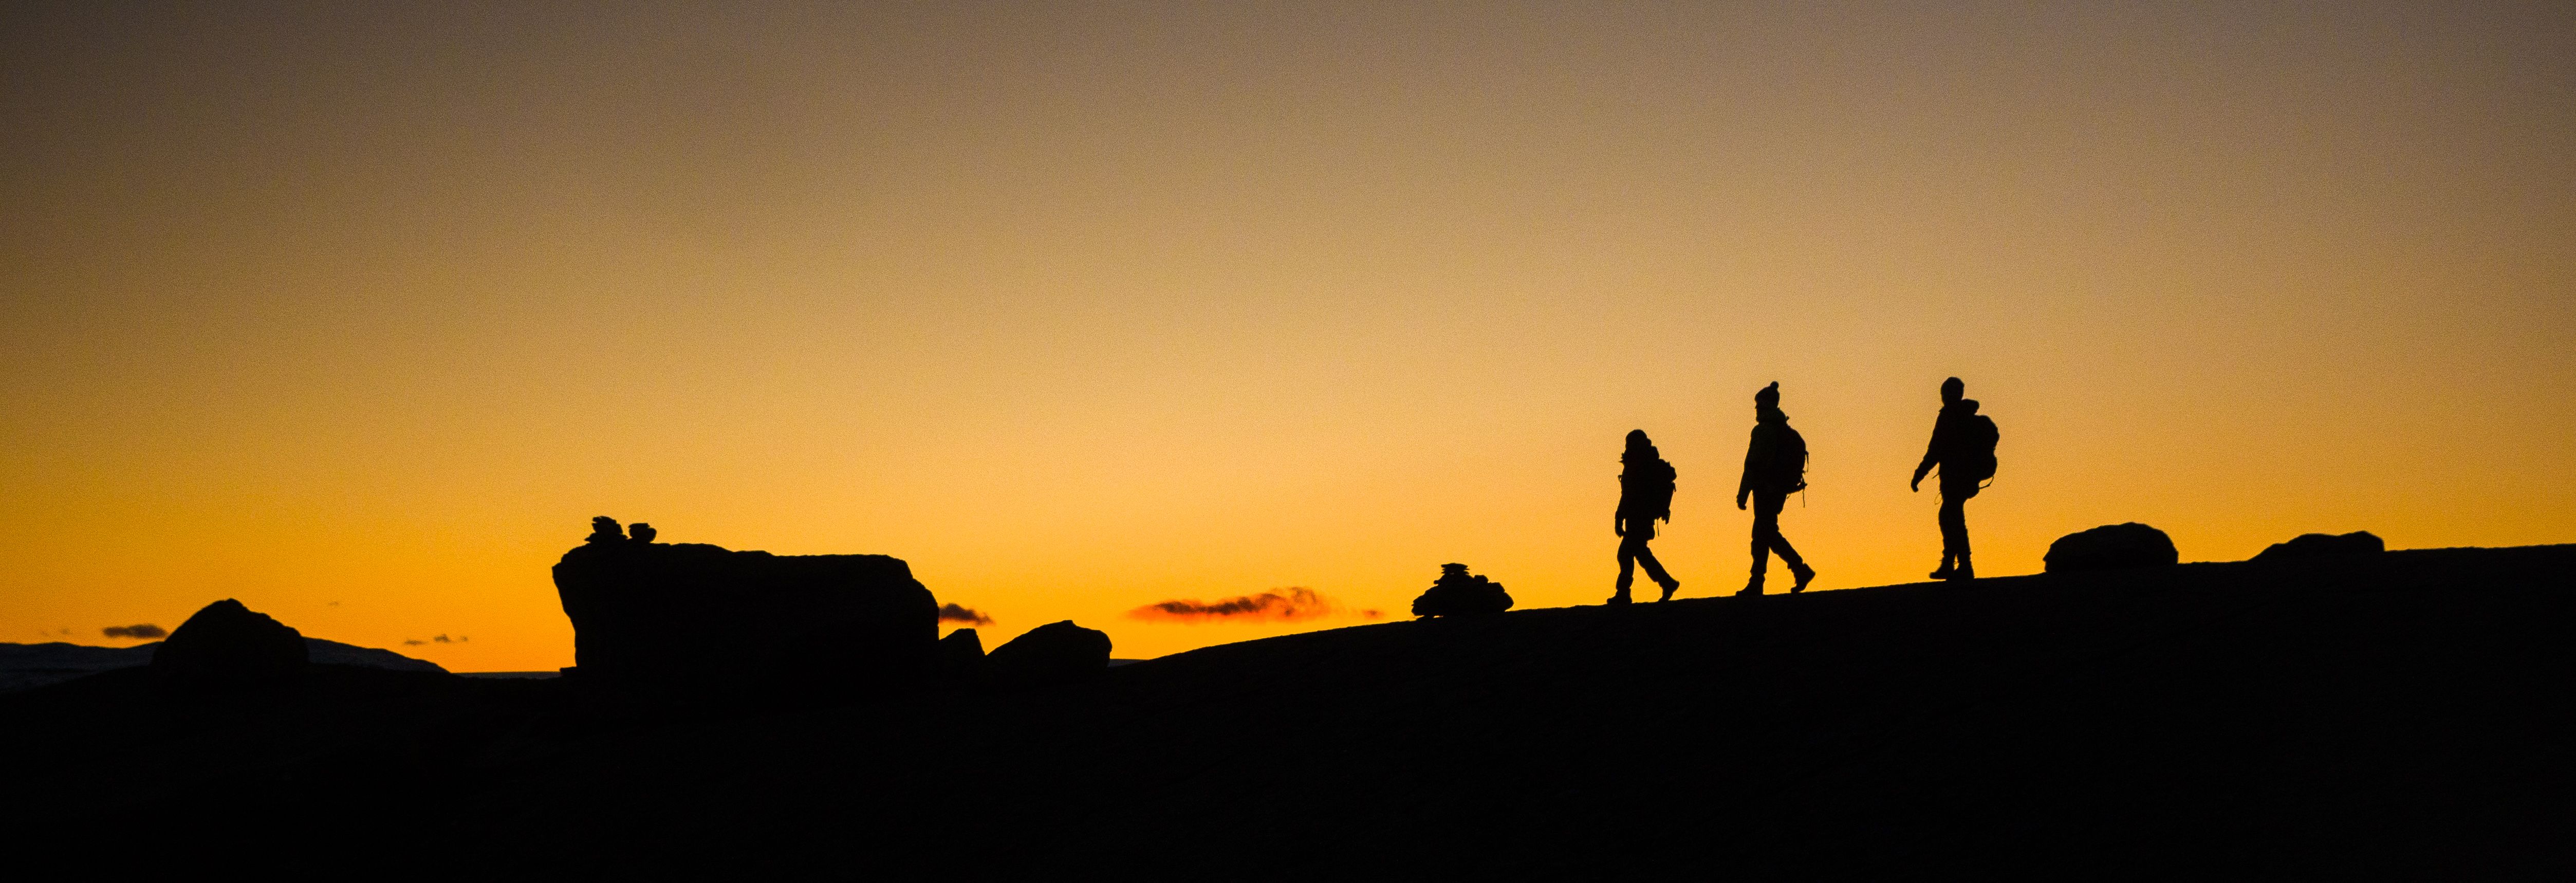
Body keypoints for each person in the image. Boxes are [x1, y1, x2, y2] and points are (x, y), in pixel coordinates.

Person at [1912, 376, 1998, 580]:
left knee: (1951, 518)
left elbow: (1935, 450)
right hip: (1967, 478)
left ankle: (1961, 566)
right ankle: (1953, 565)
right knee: (1952, 517)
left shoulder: (1949, 417)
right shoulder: (1966, 415)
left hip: (1956, 478)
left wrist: (1918, 475)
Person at [1736, 382, 1815, 595]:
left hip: (1765, 489)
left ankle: (1798, 569)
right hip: (1778, 490)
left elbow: (1752, 464)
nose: (1756, 410)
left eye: (1758, 405)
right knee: (1764, 533)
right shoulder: (1783, 430)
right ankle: (1760, 581)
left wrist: (1743, 493)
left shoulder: (1763, 431)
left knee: (1765, 533)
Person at [1611, 429, 1682, 604]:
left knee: (1626, 553)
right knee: (1639, 554)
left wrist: (1619, 519)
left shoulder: (1636, 467)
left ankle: (1625, 593)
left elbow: (1627, 497)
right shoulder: (1643, 464)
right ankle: (1666, 583)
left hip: (1639, 518)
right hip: (1643, 518)